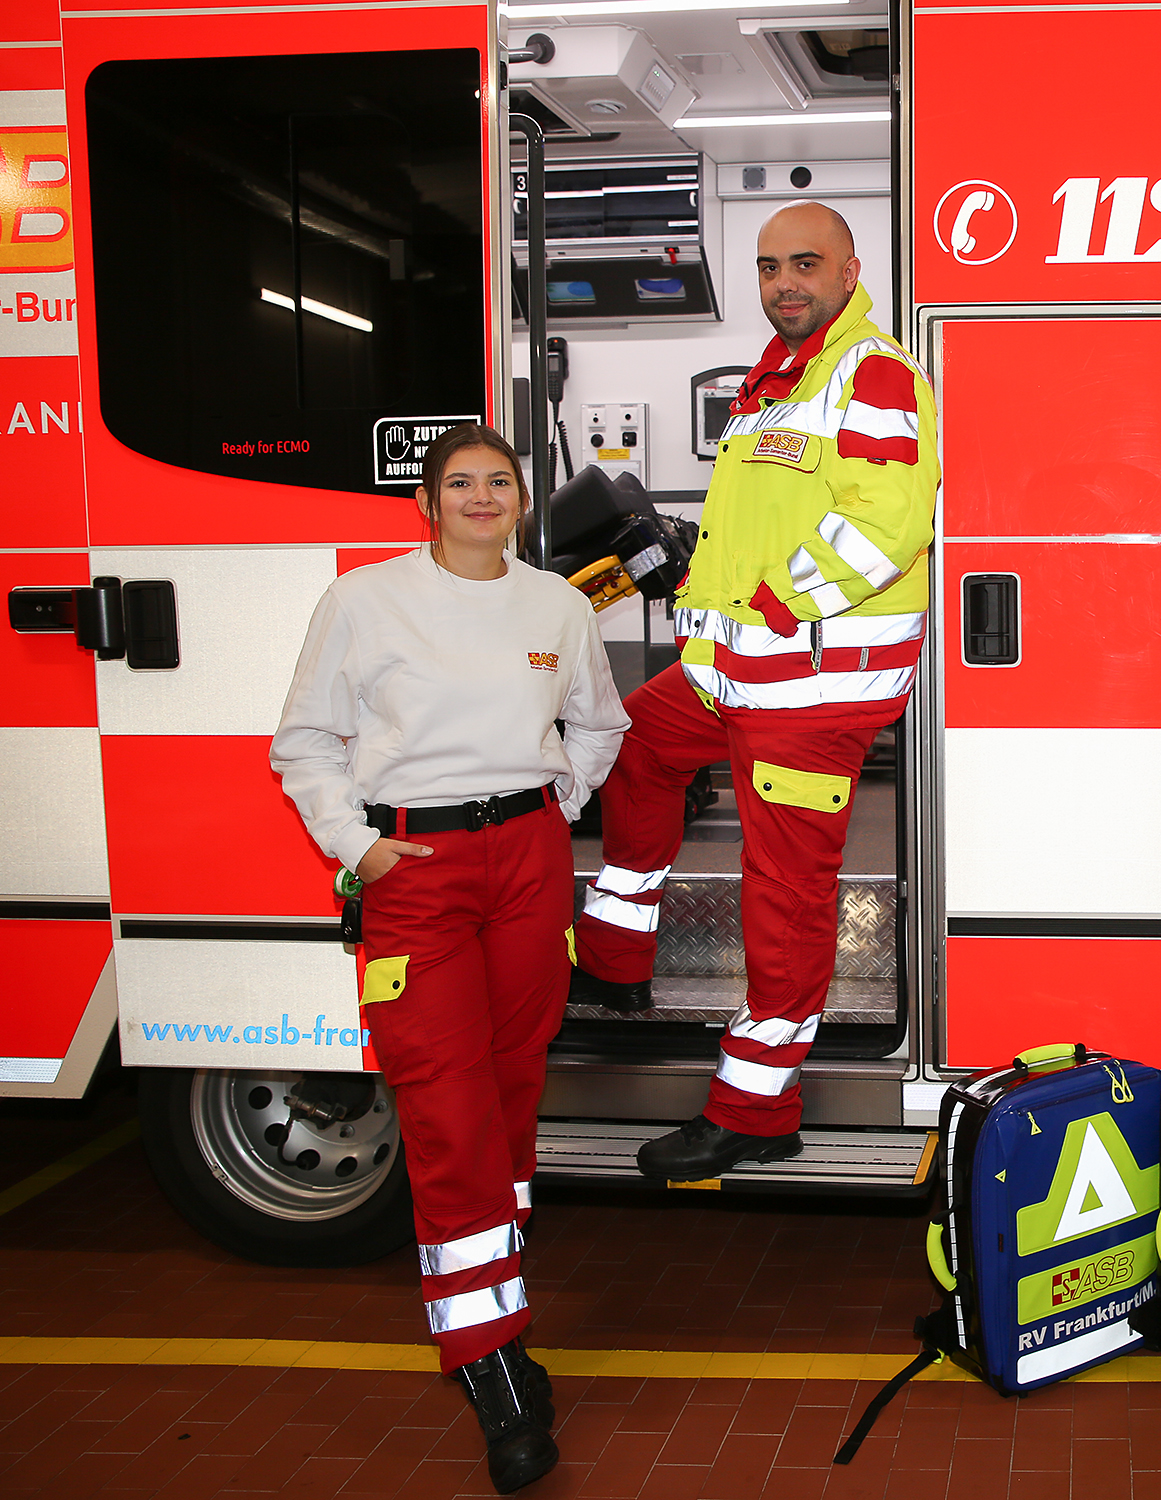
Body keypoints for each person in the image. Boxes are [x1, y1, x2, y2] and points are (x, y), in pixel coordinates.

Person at [271, 424, 628, 1495]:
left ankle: (495, 1278)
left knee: (515, 1078)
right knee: (445, 1098)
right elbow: (305, 740)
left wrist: (557, 801)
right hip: (413, 865)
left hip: (523, 858)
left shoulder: (558, 606)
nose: (483, 497)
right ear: (426, 502)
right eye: (461, 483)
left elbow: (597, 723)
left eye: (500, 482)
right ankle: (491, 1361)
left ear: (521, 500)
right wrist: (359, 845)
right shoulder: (364, 601)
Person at [567, 202, 938, 1181]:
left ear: (850, 270)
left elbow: (887, 522)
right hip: (732, 676)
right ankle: (613, 960)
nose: (785, 282)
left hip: (809, 690)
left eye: (805, 264)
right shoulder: (772, 385)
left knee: (782, 903)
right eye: (770, 266)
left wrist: (782, 602)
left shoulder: (874, 374)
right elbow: (745, 528)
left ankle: (753, 1111)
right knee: (628, 746)